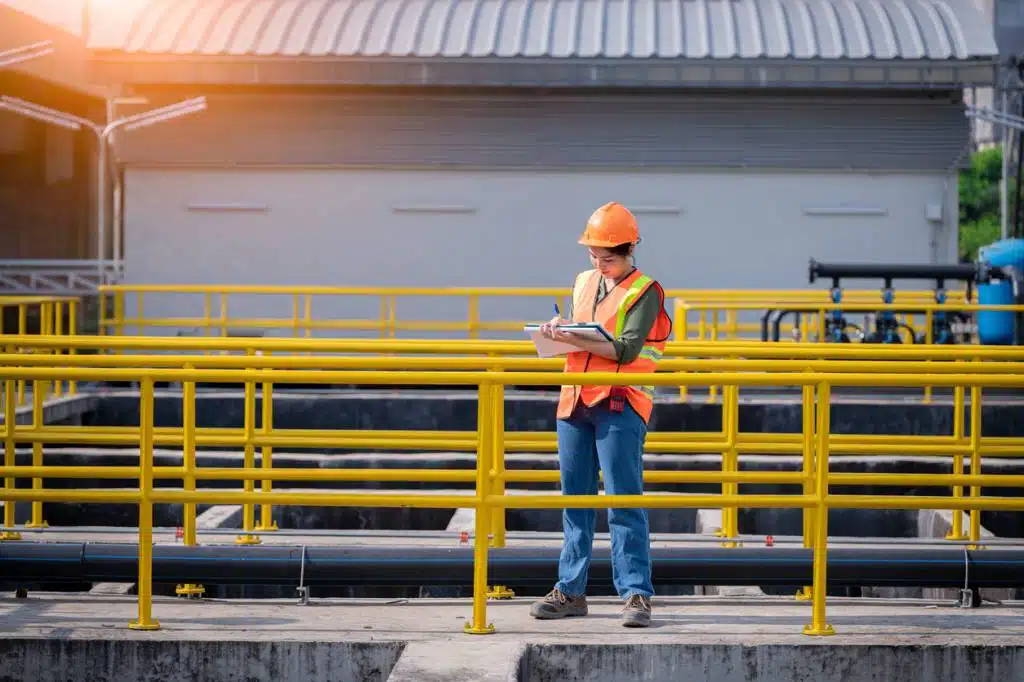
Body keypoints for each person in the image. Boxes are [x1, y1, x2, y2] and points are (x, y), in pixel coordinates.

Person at [529, 201, 672, 628]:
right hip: (574, 401)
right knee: (576, 500)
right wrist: (559, 331)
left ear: (629, 250)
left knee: (623, 500)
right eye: (593, 255)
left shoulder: (646, 290)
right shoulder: (584, 281)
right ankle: (570, 590)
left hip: (619, 404)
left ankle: (635, 595)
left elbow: (626, 349)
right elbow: (586, 332)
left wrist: (575, 337)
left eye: (607, 257)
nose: (598, 263)